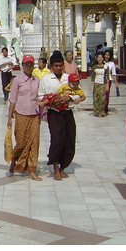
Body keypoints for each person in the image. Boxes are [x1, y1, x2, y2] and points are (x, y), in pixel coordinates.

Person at [38, 50, 77, 181]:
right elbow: (40, 96)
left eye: (61, 65)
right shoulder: (46, 79)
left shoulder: (68, 78)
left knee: (69, 140)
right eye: (56, 66)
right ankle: (55, 167)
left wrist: (69, 98)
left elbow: (78, 93)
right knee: (57, 139)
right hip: (54, 113)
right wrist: (52, 101)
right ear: (51, 66)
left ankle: (63, 167)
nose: (59, 68)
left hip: (67, 112)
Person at [7, 54, 42, 181]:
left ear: (33, 66)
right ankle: (14, 161)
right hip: (21, 113)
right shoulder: (17, 80)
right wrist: (9, 118)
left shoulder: (37, 80)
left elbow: (41, 97)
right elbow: (13, 99)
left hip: (34, 114)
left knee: (34, 142)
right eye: (26, 64)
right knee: (21, 142)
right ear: (22, 65)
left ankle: (32, 170)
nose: (28, 66)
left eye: (31, 64)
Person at [91, 52, 109, 118]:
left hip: (103, 84)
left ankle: (102, 112)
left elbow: (107, 77)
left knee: (102, 99)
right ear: (96, 59)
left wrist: (107, 85)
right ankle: (96, 111)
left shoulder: (106, 67)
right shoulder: (94, 67)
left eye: (101, 57)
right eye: (98, 57)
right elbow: (93, 76)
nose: (100, 59)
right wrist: (91, 85)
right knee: (96, 98)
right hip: (96, 84)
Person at [103, 49, 119, 113]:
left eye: (108, 55)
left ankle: (106, 108)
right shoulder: (101, 62)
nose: (107, 56)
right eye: (106, 55)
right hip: (100, 80)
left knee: (107, 94)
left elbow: (114, 73)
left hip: (108, 80)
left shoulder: (112, 64)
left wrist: (116, 83)